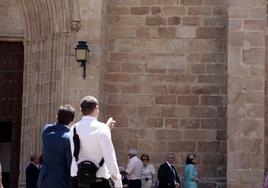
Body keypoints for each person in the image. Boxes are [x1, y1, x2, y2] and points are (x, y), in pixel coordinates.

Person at [69, 96, 122, 188]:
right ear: (96, 108)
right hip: (98, 180)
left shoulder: (73, 128)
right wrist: (117, 181)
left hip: (78, 179)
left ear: (81, 110)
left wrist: (106, 128)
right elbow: (110, 157)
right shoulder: (102, 128)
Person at [38, 105, 75, 188]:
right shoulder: (68, 137)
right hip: (61, 182)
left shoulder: (46, 131)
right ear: (72, 120)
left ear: (57, 116)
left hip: (44, 180)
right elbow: (70, 163)